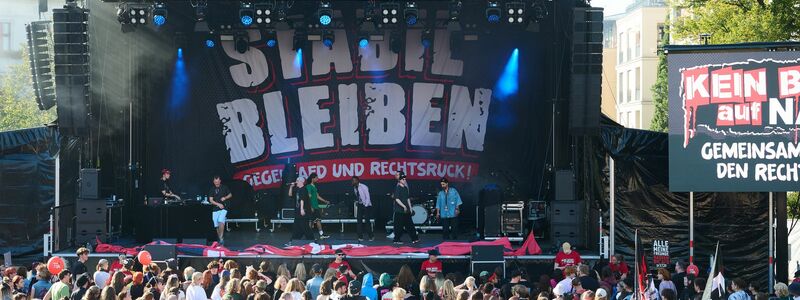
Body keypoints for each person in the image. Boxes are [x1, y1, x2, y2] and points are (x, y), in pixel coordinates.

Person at [287, 177, 315, 246]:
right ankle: (293, 241)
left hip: (303, 212)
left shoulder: (303, 189)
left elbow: (302, 200)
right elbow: (290, 195)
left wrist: (302, 209)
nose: (296, 181)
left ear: (301, 181)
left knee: (305, 227)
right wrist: (291, 187)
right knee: (296, 227)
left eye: (297, 180)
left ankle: (312, 241)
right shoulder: (297, 190)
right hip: (297, 213)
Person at [392, 173, 419, 244]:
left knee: (410, 225)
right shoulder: (398, 188)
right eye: (403, 179)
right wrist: (403, 206)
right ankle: (396, 240)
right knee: (398, 226)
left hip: (406, 211)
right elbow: (397, 199)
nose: (404, 180)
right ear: (400, 180)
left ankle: (414, 238)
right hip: (399, 210)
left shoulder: (405, 188)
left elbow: (407, 199)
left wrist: (410, 208)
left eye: (405, 179)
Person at [208, 175, 233, 245]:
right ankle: (220, 238)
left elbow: (230, 194)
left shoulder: (224, 187)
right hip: (216, 208)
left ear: (220, 181)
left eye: (218, 182)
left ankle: (221, 237)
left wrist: (225, 198)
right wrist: (218, 204)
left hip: (224, 207)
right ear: (213, 182)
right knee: (216, 224)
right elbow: (211, 200)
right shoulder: (212, 189)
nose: (217, 183)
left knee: (220, 220)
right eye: (215, 182)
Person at [306, 173, 331, 239]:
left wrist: (325, 201)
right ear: (312, 178)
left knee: (318, 220)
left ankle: (321, 234)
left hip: (316, 206)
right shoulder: (309, 186)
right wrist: (311, 206)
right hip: (311, 207)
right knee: (311, 221)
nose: (317, 179)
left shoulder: (314, 186)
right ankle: (309, 235)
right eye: (316, 178)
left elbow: (317, 196)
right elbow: (308, 197)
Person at [351, 177, 373, 242]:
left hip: (367, 205)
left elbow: (368, 197)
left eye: (353, 180)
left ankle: (371, 236)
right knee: (359, 221)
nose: (352, 182)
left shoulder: (364, 187)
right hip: (360, 205)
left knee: (367, 221)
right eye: (352, 181)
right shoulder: (355, 188)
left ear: (357, 181)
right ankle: (360, 237)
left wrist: (365, 206)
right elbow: (358, 196)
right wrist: (358, 202)